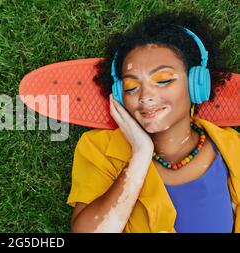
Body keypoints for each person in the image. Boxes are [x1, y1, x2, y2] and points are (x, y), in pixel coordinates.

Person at [67, 11, 240, 233]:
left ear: (197, 84)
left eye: (163, 80)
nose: (145, 96)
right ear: (119, 95)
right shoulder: (98, 149)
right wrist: (140, 155)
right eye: (131, 87)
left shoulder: (233, 148)